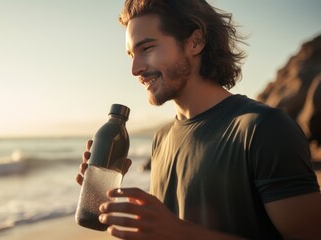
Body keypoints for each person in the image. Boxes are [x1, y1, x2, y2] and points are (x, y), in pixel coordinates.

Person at [76, 0, 321, 239]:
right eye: (131, 53)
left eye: (147, 49)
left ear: (195, 41)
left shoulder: (264, 128)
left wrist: (181, 233)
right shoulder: (162, 139)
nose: (135, 68)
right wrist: (109, 194)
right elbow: (169, 226)